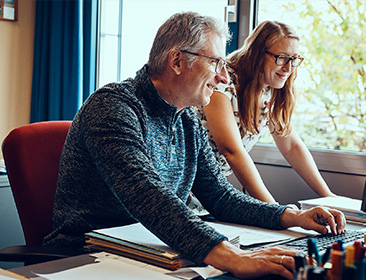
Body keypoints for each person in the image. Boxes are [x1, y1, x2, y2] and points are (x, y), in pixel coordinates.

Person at [43, 12, 345, 280]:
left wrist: (290, 216)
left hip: (152, 253)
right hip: (83, 258)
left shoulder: (186, 118)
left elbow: (221, 196)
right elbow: (147, 195)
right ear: (177, 61)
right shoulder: (112, 107)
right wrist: (230, 256)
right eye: (215, 62)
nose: (223, 76)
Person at [196, 21, 336, 204]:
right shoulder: (222, 80)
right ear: (257, 54)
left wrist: (329, 197)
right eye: (282, 57)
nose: (288, 68)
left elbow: (291, 145)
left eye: (294, 59)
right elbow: (231, 151)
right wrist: (275, 210)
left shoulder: (273, 86)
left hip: (214, 189)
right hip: (189, 185)